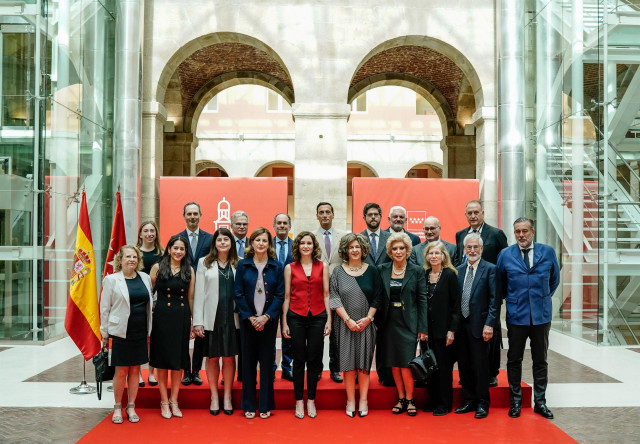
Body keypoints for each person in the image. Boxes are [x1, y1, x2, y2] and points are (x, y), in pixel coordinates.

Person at [497, 218, 559, 420]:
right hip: (516, 315)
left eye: (525, 231)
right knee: (514, 359)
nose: (521, 235)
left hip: (541, 315)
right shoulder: (505, 255)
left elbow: (554, 279)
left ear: (532, 231)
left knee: (540, 359)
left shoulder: (547, 251)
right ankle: (515, 401)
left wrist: (540, 297)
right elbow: (500, 283)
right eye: (517, 232)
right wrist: (512, 299)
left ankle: (540, 402)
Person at [455, 200, 507, 387]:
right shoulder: (460, 235)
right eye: (469, 213)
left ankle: (491, 373)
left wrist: (499, 294)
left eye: (476, 212)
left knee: (490, 338)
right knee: (468, 341)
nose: (473, 216)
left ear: (483, 213)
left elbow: (504, 264)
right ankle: (469, 375)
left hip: (489, 292)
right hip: (468, 291)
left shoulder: (496, 234)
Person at [234, 228, 285, 419]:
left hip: (268, 322)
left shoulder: (276, 266)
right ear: (252, 243)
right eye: (257, 240)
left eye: (264, 240)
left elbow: (280, 295)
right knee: (247, 364)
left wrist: (266, 317)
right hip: (248, 322)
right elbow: (237, 293)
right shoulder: (243, 265)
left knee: (266, 363)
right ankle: (248, 405)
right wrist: (250, 316)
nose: (261, 243)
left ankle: (264, 405)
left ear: (269, 244)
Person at [330, 233, 382, 418]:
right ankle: (351, 400)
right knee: (348, 364)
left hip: (366, 324)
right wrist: (348, 320)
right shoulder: (337, 271)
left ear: (363, 249)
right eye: (351, 247)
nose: (354, 250)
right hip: (345, 324)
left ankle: (364, 400)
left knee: (364, 365)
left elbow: (378, 296)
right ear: (346, 250)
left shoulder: (372, 270)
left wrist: (368, 318)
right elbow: (334, 298)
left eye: (357, 247)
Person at [99, 245, 153, 424]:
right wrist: (104, 334)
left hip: (140, 331)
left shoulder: (145, 278)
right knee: (121, 371)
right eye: (128, 256)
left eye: (135, 257)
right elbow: (104, 309)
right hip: (121, 331)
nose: (132, 260)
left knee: (136, 370)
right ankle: (117, 407)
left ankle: (131, 406)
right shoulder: (112, 280)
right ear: (120, 260)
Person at [282, 231, 332, 419]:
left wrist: (329, 318)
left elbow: (326, 294)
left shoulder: (323, 266)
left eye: (309, 243)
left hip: (318, 316)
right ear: (297, 246)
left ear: (314, 246)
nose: (305, 246)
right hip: (295, 316)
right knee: (298, 359)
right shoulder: (290, 268)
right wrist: (285, 321)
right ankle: (298, 401)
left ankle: (311, 399)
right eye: (302, 243)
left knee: (314, 359)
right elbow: (286, 296)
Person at [378, 232, 428, 417]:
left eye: (402, 248)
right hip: (389, 322)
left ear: (407, 250)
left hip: (409, 323)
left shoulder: (416, 270)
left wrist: (422, 328)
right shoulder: (382, 269)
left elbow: (422, 300)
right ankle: (400, 398)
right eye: (395, 249)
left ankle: (410, 399)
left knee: (406, 364)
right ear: (390, 251)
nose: (398, 251)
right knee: (394, 364)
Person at [193, 227, 239, 416]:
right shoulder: (204, 262)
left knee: (229, 358)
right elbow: (198, 294)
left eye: (226, 240)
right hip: (211, 317)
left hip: (232, 317)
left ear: (231, 243)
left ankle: (227, 396)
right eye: (219, 240)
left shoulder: (240, 263)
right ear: (214, 243)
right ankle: (214, 396)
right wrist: (197, 321)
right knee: (212, 358)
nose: (222, 243)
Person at [454, 233, 500, 419]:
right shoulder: (458, 270)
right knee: (464, 365)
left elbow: (494, 300)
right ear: (464, 250)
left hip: (480, 327)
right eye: (469, 247)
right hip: (461, 326)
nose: (472, 250)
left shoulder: (490, 269)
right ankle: (469, 400)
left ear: (481, 249)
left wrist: (490, 324)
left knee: (480, 366)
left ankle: (482, 403)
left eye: (476, 247)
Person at [149, 236, 195, 419]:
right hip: (162, 317)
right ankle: (164, 402)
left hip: (181, 317)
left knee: (177, 363)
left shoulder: (189, 270)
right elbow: (148, 291)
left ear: (185, 252)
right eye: (175, 248)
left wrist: (193, 321)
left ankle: (174, 400)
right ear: (169, 249)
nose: (178, 252)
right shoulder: (158, 267)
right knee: (162, 361)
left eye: (182, 249)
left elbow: (191, 298)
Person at [175, 202, 213, 386]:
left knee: (200, 332)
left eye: (195, 213)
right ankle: (185, 371)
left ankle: (196, 371)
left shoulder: (210, 238)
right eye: (189, 213)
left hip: (204, 291)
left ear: (200, 215)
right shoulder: (177, 238)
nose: (192, 216)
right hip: (182, 290)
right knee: (182, 332)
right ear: (184, 216)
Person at [422, 241, 460, 416]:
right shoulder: (424, 274)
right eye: (431, 253)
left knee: (444, 368)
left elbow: (455, 305)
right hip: (426, 331)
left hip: (444, 331)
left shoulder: (450, 275)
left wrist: (452, 330)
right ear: (427, 257)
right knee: (430, 368)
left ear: (444, 256)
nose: (434, 256)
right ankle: (434, 400)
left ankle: (444, 404)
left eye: (437, 253)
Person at [314, 202, 349, 383]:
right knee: (317, 333)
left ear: (333, 215)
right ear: (317, 216)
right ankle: (317, 369)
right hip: (316, 291)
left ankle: (335, 369)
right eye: (321, 212)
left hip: (339, 290)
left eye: (328, 212)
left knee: (336, 333)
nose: (325, 215)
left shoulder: (344, 236)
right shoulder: (310, 238)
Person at [360, 202, 393, 387]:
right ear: (364, 217)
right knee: (362, 337)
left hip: (387, 295)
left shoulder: (390, 238)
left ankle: (384, 373)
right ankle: (360, 372)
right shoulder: (358, 238)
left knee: (384, 337)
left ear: (381, 217)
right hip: (364, 295)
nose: (373, 217)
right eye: (369, 214)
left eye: (376, 214)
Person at [137, 220, 163, 387]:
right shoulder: (135, 253)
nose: (149, 234)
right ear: (140, 234)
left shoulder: (161, 254)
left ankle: (152, 373)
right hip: (138, 300)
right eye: (145, 231)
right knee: (139, 338)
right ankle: (138, 373)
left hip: (156, 301)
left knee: (154, 339)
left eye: (152, 231)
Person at [272, 213, 294, 382]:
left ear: (289, 226)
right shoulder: (265, 244)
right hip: (269, 298)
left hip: (290, 297)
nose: (282, 226)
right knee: (270, 335)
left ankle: (287, 367)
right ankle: (270, 367)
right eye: (279, 223)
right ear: (274, 225)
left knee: (288, 334)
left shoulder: (296, 247)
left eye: (285, 223)